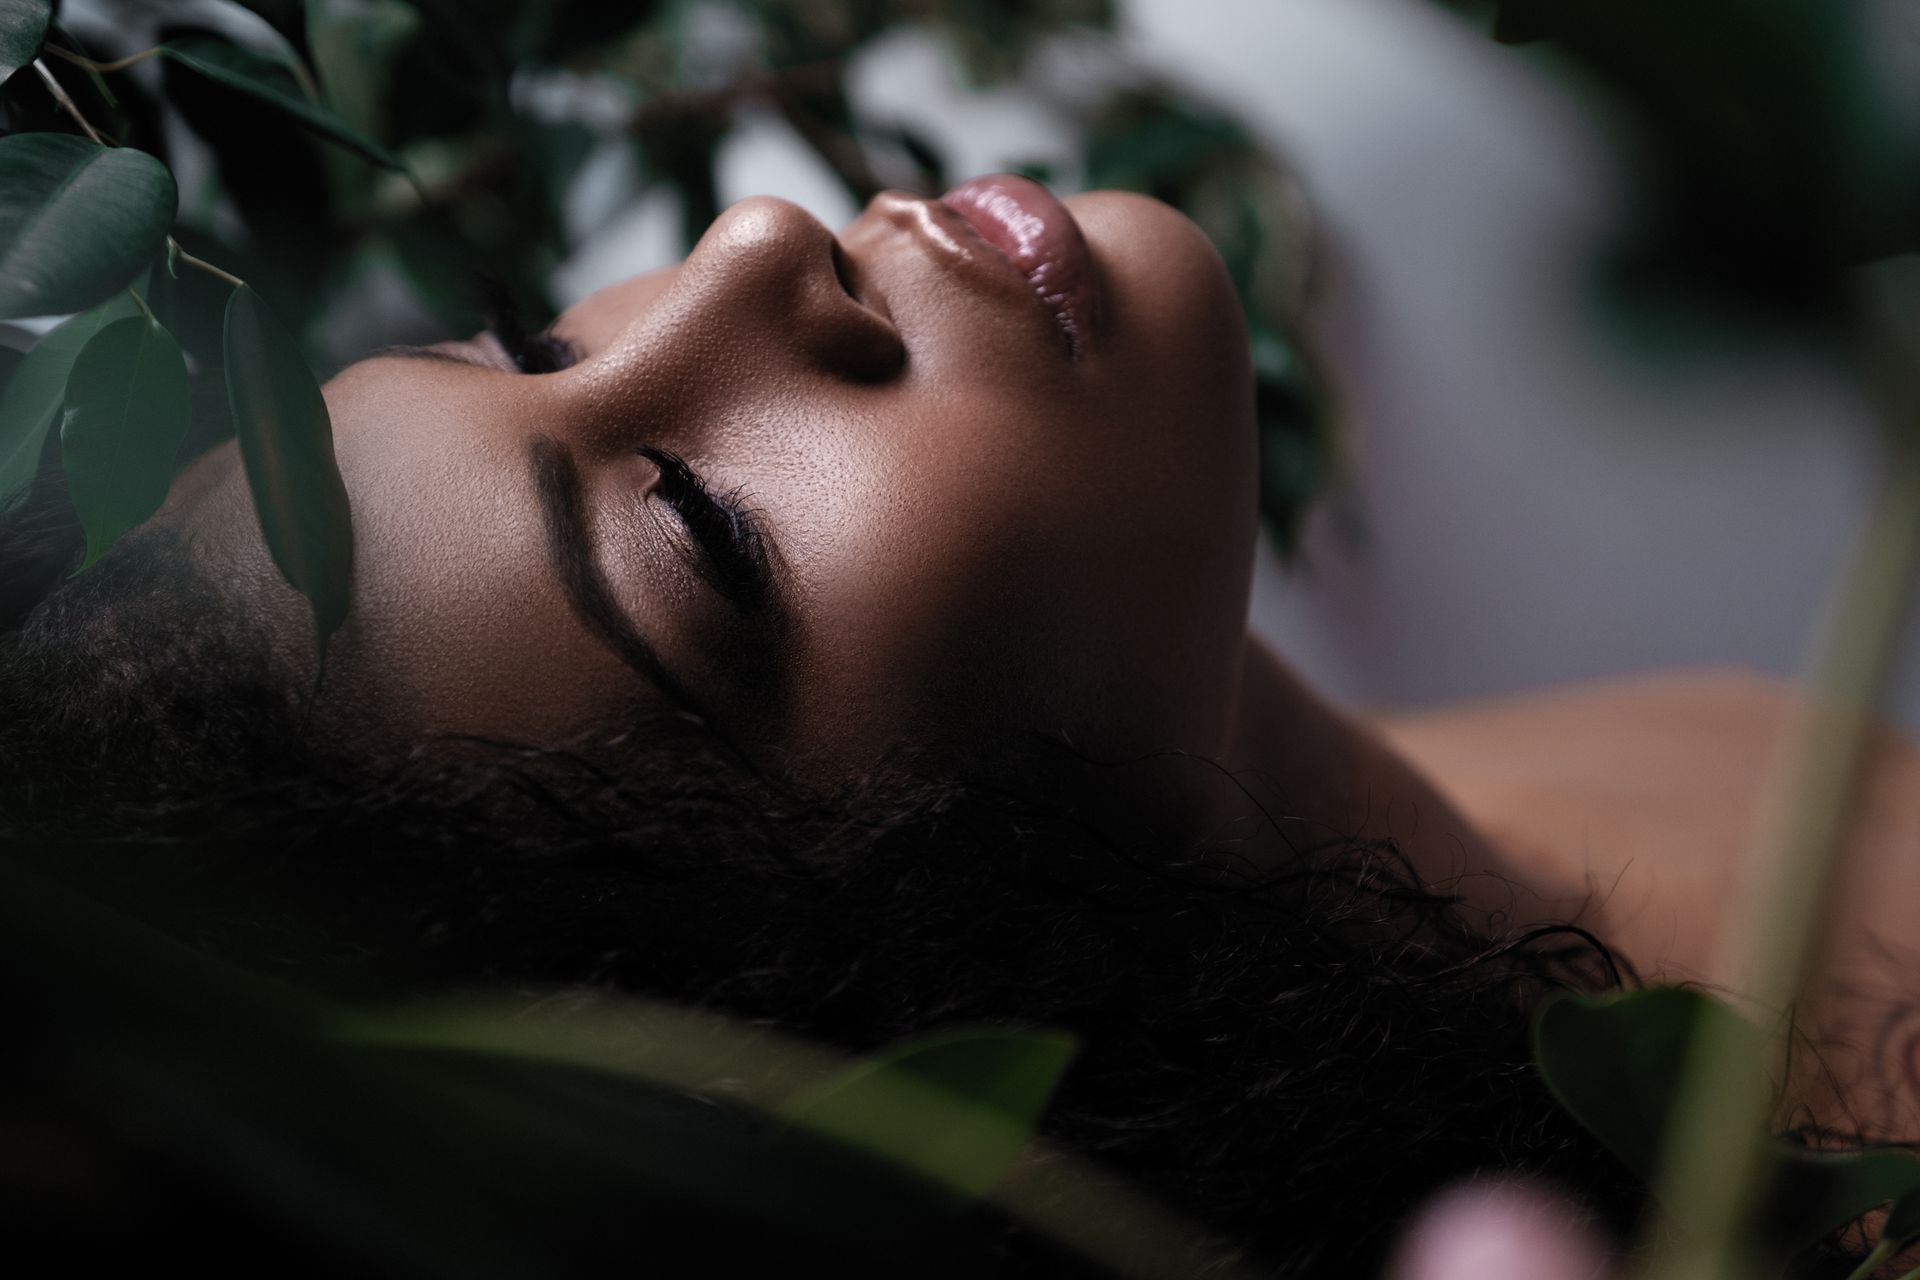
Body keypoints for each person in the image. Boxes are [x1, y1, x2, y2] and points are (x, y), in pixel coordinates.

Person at [0, 175, 1903, 1274]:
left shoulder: (1455, 813)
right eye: (700, 526)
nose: (748, 244)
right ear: (915, 968)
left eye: (534, 352)